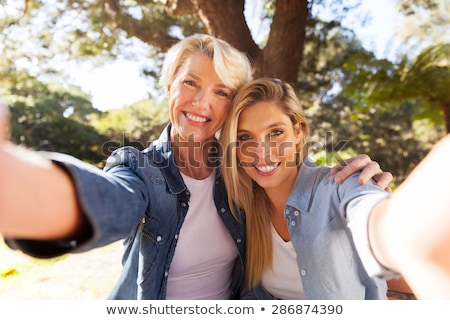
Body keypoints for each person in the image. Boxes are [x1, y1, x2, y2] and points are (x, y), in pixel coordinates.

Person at [0, 35, 392, 300]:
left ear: (231, 107)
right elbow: (112, 200)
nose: (202, 102)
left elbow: (301, 175)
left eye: (221, 91)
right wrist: (16, 184)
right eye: (190, 83)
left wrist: (362, 183)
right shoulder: (139, 167)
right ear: (169, 85)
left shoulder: (241, 171)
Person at [219, 78, 450, 300]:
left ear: (298, 132)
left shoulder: (342, 183)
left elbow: (372, 217)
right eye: (245, 138)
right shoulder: (242, 209)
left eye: (276, 132)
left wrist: (396, 230)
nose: (262, 152)